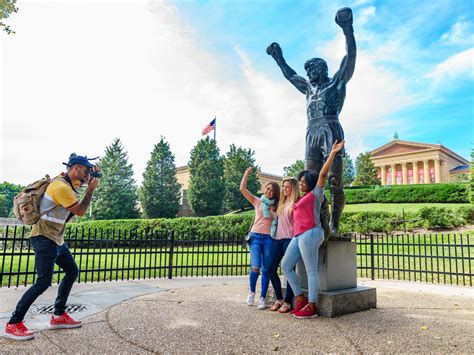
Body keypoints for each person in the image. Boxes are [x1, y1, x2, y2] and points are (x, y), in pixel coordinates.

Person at [266, 8, 356, 237]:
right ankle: (319, 224)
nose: (308, 72)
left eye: (311, 68)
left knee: (334, 181)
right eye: (306, 69)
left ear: (322, 69)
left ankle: (334, 225)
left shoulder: (336, 82)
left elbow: (350, 57)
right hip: (312, 132)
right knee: (309, 182)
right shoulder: (308, 88)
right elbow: (290, 75)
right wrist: (278, 58)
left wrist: (347, 28)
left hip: (330, 128)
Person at [5, 154, 101, 340]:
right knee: (43, 282)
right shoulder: (61, 187)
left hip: (56, 239)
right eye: (86, 169)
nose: (88, 173)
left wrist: (91, 180)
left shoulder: (65, 184)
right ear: (75, 168)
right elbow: (80, 211)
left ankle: (58, 316)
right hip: (44, 238)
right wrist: (91, 189)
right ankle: (14, 323)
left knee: (72, 271)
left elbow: (72, 201)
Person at [281, 140, 345, 319]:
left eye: (302, 182)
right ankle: (300, 298)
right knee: (285, 265)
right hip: (298, 235)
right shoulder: (300, 198)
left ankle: (312, 305)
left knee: (311, 270)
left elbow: (323, 174)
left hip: (311, 233)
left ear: (309, 182)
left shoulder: (316, 193)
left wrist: (332, 153)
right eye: (299, 182)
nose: (300, 184)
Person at [240, 167, 280, 310]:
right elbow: (242, 189)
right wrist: (246, 173)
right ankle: (251, 293)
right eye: (267, 189)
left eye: (272, 190)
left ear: (275, 193)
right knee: (255, 267)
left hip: (269, 238)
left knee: (266, 269)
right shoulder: (258, 201)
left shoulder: (277, 206)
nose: (269, 191)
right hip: (256, 237)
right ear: (265, 190)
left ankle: (262, 298)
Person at [266, 177, 299, 313]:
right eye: (283, 186)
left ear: (293, 188)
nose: (284, 189)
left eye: (287, 187)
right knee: (269, 269)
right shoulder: (282, 202)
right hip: (277, 239)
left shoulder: (296, 203)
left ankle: (287, 302)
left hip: (290, 240)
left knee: (289, 270)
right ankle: (279, 298)